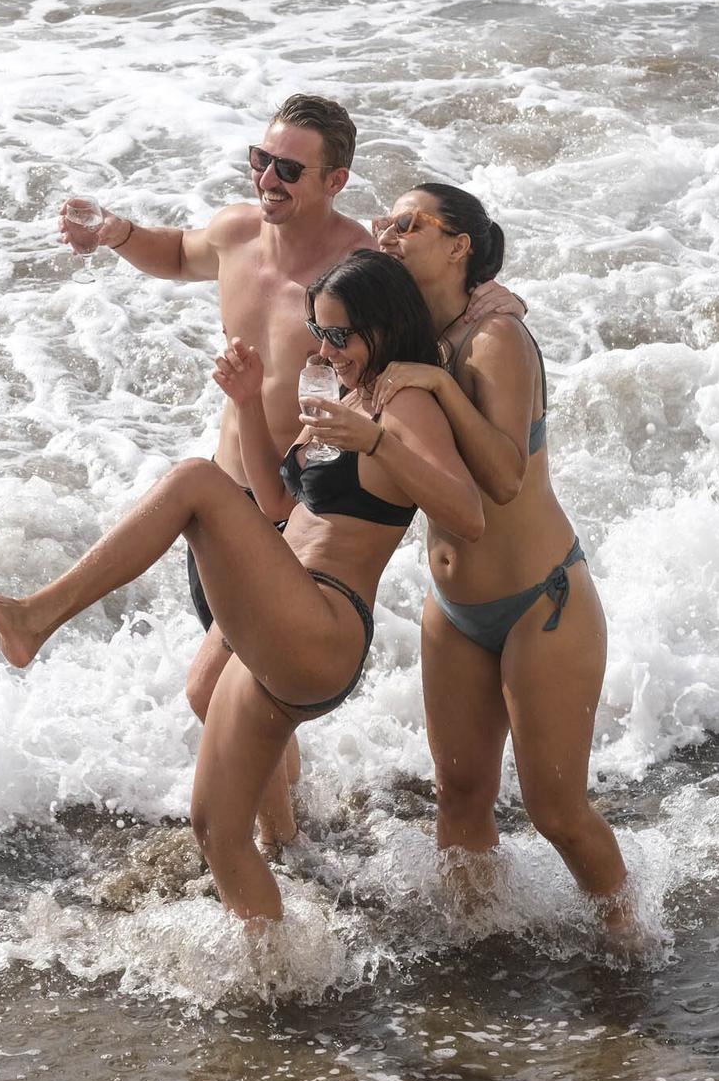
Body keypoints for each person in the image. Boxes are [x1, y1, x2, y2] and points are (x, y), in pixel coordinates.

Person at [0, 250, 484, 922]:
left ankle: (34, 617)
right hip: (285, 607)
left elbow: (469, 514)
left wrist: (377, 442)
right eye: (319, 332)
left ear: (384, 325)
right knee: (216, 829)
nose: (325, 348)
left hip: (325, 626)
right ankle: (283, 977)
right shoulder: (349, 395)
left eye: (340, 335)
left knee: (196, 481)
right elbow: (282, 509)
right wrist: (249, 406)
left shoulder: (406, 400)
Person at [59, 94, 520, 847]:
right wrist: (115, 232)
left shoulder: (357, 264)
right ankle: (290, 833)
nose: (267, 178)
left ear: (336, 181)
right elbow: (174, 253)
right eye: (260, 160)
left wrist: (490, 306)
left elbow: (423, 301)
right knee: (237, 695)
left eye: (289, 169)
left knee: (219, 690)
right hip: (233, 499)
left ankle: (282, 843)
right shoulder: (237, 233)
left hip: (301, 513)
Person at [370, 184, 633, 940]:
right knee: (458, 794)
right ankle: (479, 935)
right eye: (384, 221)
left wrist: (437, 384)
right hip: (452, 611)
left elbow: (505, 475)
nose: (389, 232)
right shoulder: (407, 331)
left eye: (408, 223)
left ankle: (630, 942)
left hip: (540, 602)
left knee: (556, 811)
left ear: (459, 245)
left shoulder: (496, 340)